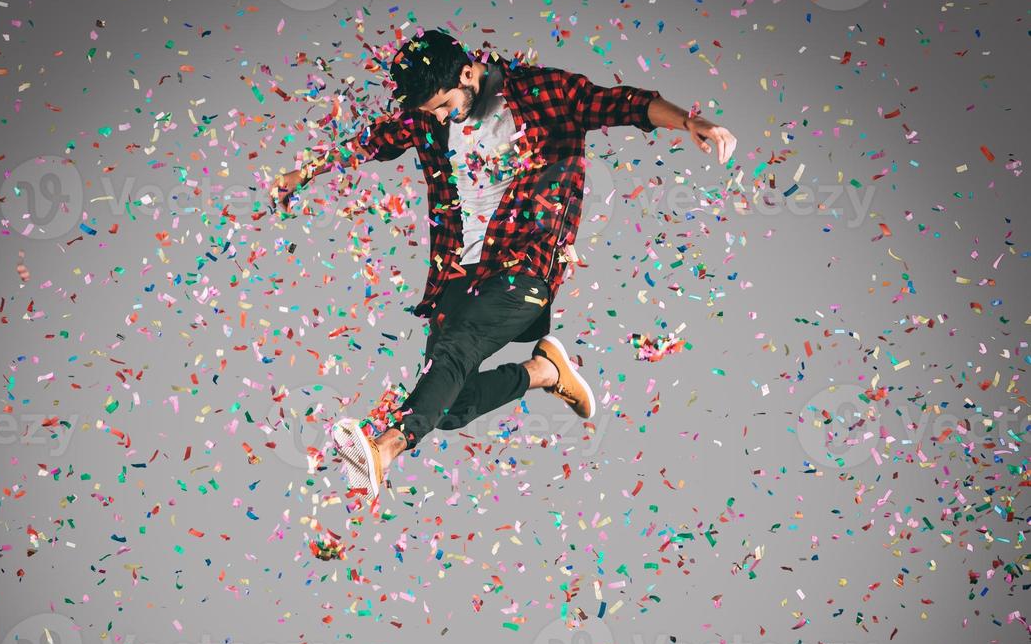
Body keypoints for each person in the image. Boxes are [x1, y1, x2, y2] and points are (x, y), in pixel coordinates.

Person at [270, 29, 736, 507]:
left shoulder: (542, 93)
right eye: (430, 111)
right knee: (448, 406)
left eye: (444, 104)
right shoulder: (429, 116)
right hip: (459, 270)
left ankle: (385, 447)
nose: (438, 116)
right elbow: (373, 141)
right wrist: (302, 173)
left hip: (526, 263)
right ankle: (544, 373)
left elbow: (622, 104)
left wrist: (691, 122)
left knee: (454, 350)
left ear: (469, 73)